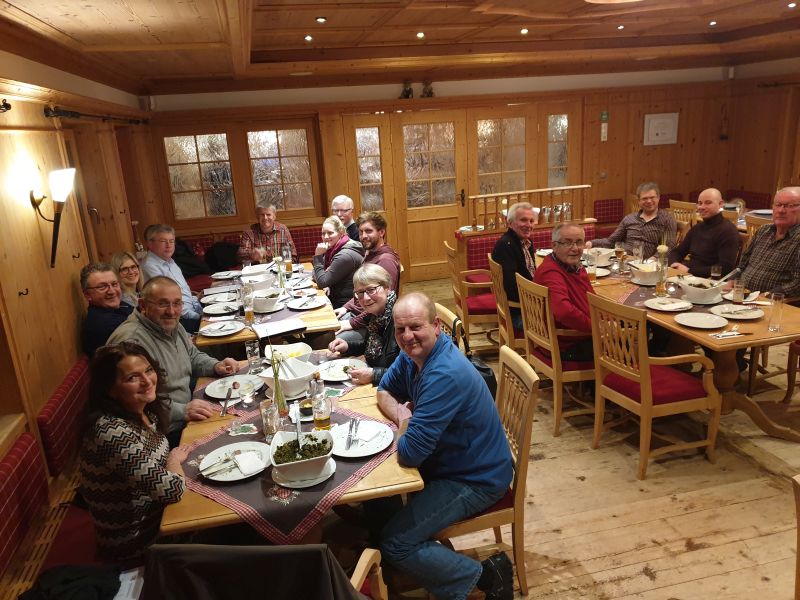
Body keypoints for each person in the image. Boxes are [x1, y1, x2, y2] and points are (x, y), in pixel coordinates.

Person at [376, 292, 514, 600]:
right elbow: (384, 389)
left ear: (436, 326)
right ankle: (414, 568)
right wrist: (404, 414)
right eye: (400, 330)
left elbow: (410, 454)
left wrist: (405, 423)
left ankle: (486, 575)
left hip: (476, 478)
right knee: (378, 505)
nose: (407, 336)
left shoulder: (443, 374)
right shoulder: (413, 354)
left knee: (396, 541)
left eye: (415, 327)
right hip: (449, 463)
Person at [80, 342, 189, 562]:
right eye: (132, 378)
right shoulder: (110, 432)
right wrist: (174, 460)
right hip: (139, 548)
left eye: (148, 370)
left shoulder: (146, 412)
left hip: (165, 520)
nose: (147, 381)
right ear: (109, 389)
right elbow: (173, 489)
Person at [107, 276, 238, 446]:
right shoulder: (131, 342)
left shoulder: (170, 324)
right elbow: (133, 401)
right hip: (164, 431)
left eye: (177, 303)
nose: (171, 311)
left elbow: (192, 356)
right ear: (143, 305)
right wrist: (181, 410)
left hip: (188, 406)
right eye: (162, 304)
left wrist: (216, 365)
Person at [327, 264, 399, 386]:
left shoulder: (400, 320)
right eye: (360, 292)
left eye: (371, 290)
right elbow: (371, 346)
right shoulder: (375, 316)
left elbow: (410, 372)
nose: (365, 298)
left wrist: (374, 375)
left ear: (387, 287)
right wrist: (348, 346)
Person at [533, 223, 594, 361]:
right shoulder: (551, 272)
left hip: (578, 334)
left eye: (579, 242)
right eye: (567, 243)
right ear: (554, 245)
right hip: (569, 343)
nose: (575, 248)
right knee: (641, 334)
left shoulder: (573, 266)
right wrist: (597, 327)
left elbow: (589, 298)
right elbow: (564, 311)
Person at [334, 211, 401, 334]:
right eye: (361, 232)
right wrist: (346, 308)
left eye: (369, 231)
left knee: (329, 340)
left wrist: (351, 322)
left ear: (381, 232)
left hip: (371, 323)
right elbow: (360, 290)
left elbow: (383, 304)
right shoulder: (370, 254)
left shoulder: (385, 260)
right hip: (359, 313)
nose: (363, 236)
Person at [139, 224, 203, 333]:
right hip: (177, 321)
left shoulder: (171, 262)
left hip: (190, 313)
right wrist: (200, 317)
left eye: (172, 241)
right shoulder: (149, 266)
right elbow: (172, 305)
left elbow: (185, 293)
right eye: (163, 241)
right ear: (150, 244)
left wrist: (199, 306)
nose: (169, 245)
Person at [737, 186, 800, 297]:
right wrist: (734, 280)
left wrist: (767, 295)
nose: (781, 210)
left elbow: (797, 284)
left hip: (772, 303)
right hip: (741, 295)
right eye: (778, 205)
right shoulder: (763, 230)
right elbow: (743, 263)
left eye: (789, 206)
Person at [589, 182, 677, 258]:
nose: (649, 201)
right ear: (639, 201)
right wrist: (591, 243)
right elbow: (611, 241)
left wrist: (654, 259)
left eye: (652, 197)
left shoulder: (667, 219)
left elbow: (669, 245)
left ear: (658, 198)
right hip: (626, 261)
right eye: (645, 198)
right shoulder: (629, 219)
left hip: (651, 265)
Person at [668, 188, 740, 277]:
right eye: (700, 203)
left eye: (708, 203)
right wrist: (674, 264)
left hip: (709, 280)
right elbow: (678, 252)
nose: (701, 207)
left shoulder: (728, 231)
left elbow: (725, 268)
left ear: (720, 204)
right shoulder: (697, 228)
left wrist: (690, 271)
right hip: (688, 276)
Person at [491, 202, 538, 330]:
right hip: (519, 313)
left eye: (531, 221)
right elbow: (511, 288)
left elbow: (528, 274)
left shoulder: (525, 241)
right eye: (523, 220)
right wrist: (539, 302)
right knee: (560, 323)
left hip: (527, 305)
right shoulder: (506, 245)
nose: (528, 225)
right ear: (510, 223)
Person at [81, 263, 133, 357]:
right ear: (87, 295)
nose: (112, 291)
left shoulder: (116, 306)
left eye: (114, 284)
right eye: (102, 287)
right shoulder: (104, 323)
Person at [312, 216, 365, 309]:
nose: (325, 237)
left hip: (346, 305)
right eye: (323, 233)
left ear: (341, 233)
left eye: (330, 233)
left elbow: (322, 281)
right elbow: (317, 273)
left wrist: (318, 256)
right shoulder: (332, 249)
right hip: (336, 299)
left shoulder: (345, 255)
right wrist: (326, 280)